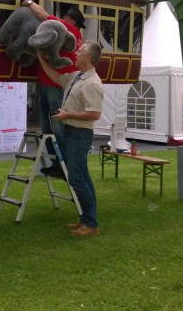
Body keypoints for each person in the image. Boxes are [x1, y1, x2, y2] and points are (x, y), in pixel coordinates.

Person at [37, 41, 103, 237]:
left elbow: (94, 114)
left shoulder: (92, 83)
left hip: (80, 134)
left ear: (88, 58)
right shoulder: (77, 76)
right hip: (72, 131)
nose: (76, 53)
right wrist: (41, 58)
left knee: (76, 178)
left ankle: (91, 224)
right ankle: (87, 219)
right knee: (82, 177)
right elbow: (57, 77)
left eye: (80, 51)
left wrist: (67, 116)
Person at [20, 0, 84, 177]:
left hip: (56, 85)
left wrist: (30, 2)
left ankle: (64, 164)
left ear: (72, 21)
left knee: (55, 127)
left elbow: (44, 16)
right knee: (47, 128)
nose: (63, 17)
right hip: (50, 84)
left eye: (66, 16)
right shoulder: (76, 34)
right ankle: (58, 163)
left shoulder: (68, 29)